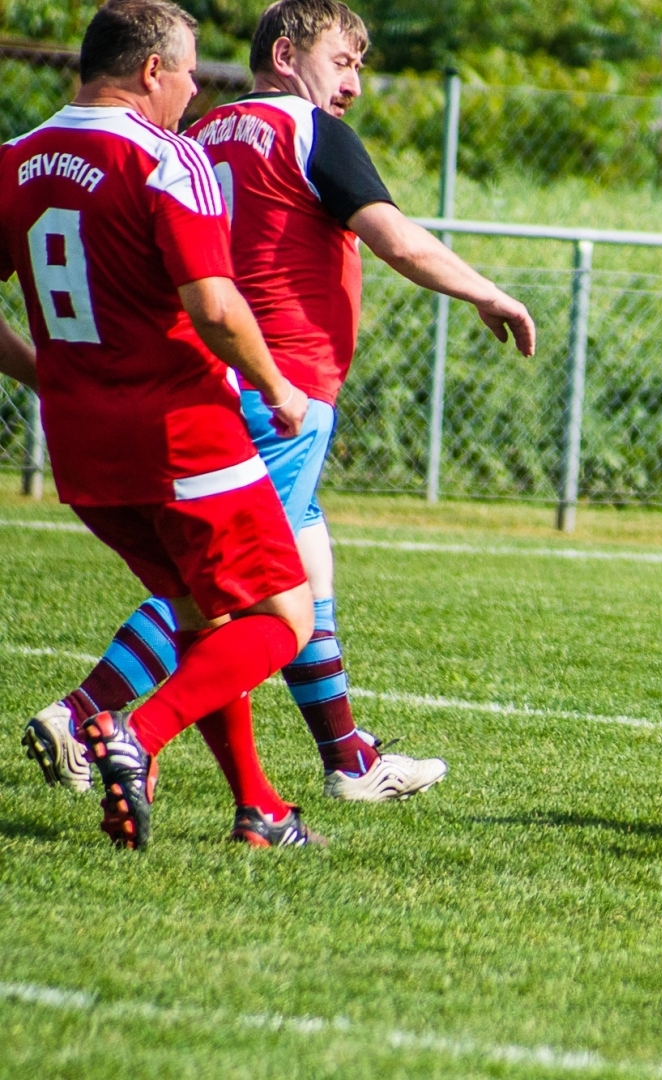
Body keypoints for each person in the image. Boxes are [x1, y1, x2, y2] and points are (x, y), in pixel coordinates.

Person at [19, 0, 537, 803]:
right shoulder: (308, 129)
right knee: (237, 592)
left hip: (215, 381)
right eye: (345, 60)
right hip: (278, 383)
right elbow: (398, 238)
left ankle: (347, 762)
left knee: (305, 568)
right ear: (288, 54)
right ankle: (87, 716)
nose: (355, 84)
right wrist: (487, 292)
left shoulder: (198, 131)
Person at [0, 0, 320, 847]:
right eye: (185, 73)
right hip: (183, 431)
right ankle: (133, 736)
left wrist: (51, 375)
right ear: (150, 72)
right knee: (281, 620)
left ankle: (262, 810)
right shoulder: (163, 158)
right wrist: (278, 387)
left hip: (83, 449)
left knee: (203, 618)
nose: (189, 91)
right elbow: (214, 306)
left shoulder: (14, 162)